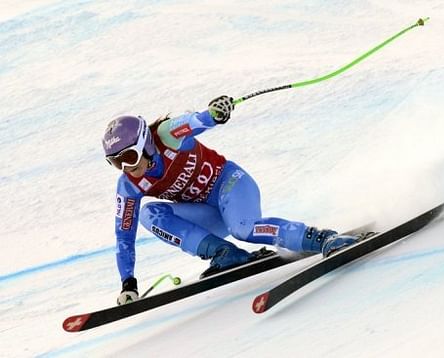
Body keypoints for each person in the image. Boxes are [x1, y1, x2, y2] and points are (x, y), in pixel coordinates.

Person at [102, 95, 360, 305]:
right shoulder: (128, 185)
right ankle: (224, 254)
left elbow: (194, 121)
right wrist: (128, 283)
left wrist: (214, 114)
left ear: (146, 144)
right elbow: (124, 235)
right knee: (150, 214)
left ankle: (324, 238)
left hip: (230, 185)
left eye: (130, 158)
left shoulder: (166, 135)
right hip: (207, 213)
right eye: (116, 162)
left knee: (244, 229)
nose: (126, 167)